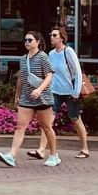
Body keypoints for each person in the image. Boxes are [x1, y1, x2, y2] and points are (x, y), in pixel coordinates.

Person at [0, 31, 59, 168]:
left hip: (43, 98)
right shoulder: (23, 59)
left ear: (37, 42)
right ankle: (11, 155)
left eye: (30, 40)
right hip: (26, 98)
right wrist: (17, 95)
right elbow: (21, 78)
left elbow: (49, 76)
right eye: (25, 40)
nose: (27, 42)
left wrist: (39, 90)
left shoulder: (43, 57)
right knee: (20, 126)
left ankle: (54, 155)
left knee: (46, 126)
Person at [40, 25, 90, 160]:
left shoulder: (68, 52)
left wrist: (75, 92)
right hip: (55, 91)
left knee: (75, 119)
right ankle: (41, 150)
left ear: (62, 38)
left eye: (55, 35)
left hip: (70, 92)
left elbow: (78, 72)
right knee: (47, 121)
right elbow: (50, 73)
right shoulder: (51, 54)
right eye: (51, 34)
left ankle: (85, 148)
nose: (51, 37)